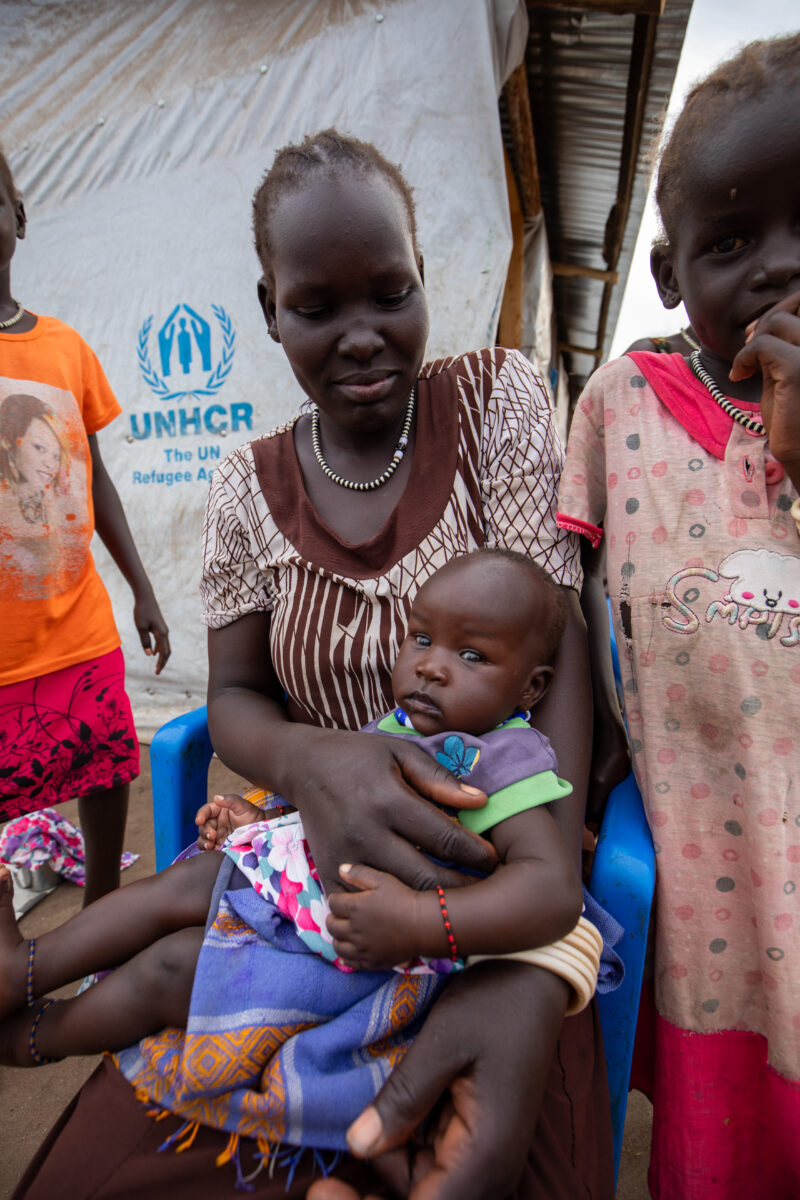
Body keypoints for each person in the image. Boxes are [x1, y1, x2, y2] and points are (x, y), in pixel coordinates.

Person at [14, 130, 612, 1200]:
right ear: (267, 307)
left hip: (492, 876)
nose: (361, 337)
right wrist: (315, 763)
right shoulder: (244, 487)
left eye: (389, 294)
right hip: (307, 875)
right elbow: (234, 701)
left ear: (424, 276)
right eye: (316, 307)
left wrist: (536, 923)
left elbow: (549, 647)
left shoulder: (496, 403)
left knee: (472, 1147)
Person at [0, 551, 600, 1160]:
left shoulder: (507, 765)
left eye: (471, 655)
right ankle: (25, 966)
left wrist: (420, 922)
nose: (431, 668)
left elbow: (553, 893)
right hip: (306, 896)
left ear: (531, 685)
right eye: (421, 638)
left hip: (364, 950)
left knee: (175, 968)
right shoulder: (403, 726)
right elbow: (337, 812)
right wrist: (265, 823)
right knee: (185, 883)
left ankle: (36, 1036)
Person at [557, 34, 800, 1200]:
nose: (778, 270)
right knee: (718, 1134)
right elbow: (568, 596)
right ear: (665, 271)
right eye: (729, 242)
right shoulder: (619, 404)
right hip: (702, 852)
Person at [0, 149, 171, 905]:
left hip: (80, 627)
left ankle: (103, 915)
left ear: (20, 220)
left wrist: (142, 589)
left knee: (107, 772)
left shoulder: (65, 348)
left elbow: (93, 478)